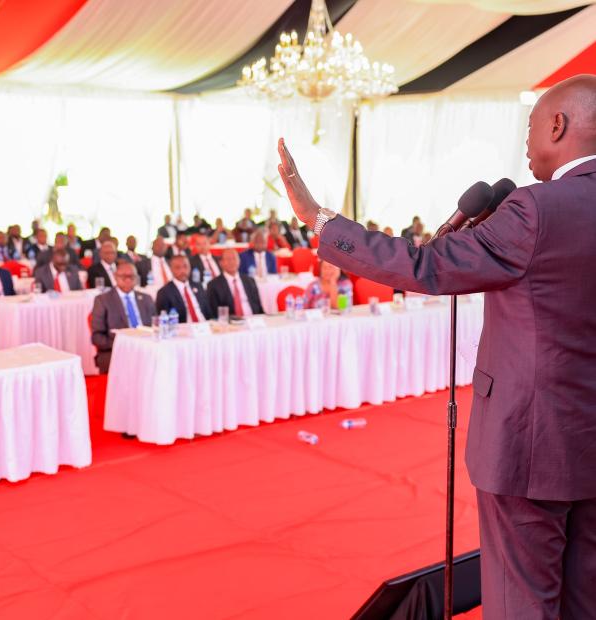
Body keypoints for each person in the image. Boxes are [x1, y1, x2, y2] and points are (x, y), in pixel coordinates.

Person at [277, 73, 596, 619]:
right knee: (584, 599)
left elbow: (424, 265)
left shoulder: (535, 209)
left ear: (559, 125)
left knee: (524, 601)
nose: (525, 143)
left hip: (528, 445)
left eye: (531, 126)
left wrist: (319, 219)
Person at [90, 261, 155, 374]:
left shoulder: (146, 299)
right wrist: (124, 343)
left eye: (131, 276)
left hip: (147, 347)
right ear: (115, 277)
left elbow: (156, 326)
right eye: (123, 276)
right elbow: (97, 337)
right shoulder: (102, 300)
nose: (128, 279)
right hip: (117, 349)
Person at [207, 249, 263, 317]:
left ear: (239, 261)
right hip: (230, 323)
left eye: (234, 258)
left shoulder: (250, 281)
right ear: (221, 263)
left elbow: (259, 307)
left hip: (253, 320)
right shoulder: (213, 285)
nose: (232, 262)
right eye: (228, 259)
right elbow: (215, 313)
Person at [155, 255, 211, 323]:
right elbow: (165, 321)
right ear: (171, 269)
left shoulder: (198, 286)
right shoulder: (164, 293)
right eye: (177, 268)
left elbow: (208, 312)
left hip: (204, 326)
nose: (183, 271)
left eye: (185, 266)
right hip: (183, 329)